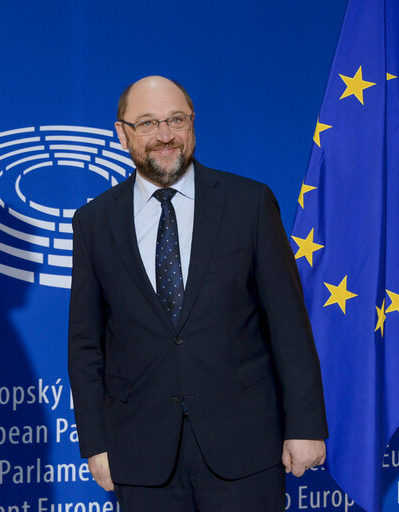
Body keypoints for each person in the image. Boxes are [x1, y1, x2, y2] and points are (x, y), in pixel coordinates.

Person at [68, 76, 328, 511]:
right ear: (122, 133)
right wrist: (95, 442)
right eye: (147, 123)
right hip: (140, 452)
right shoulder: (94, 222)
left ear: (193, 124)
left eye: (176, 120)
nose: (165, 135)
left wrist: (304, 425)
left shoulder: (249, 203)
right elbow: (85, 344)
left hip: (244, 446)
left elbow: (288, 324)